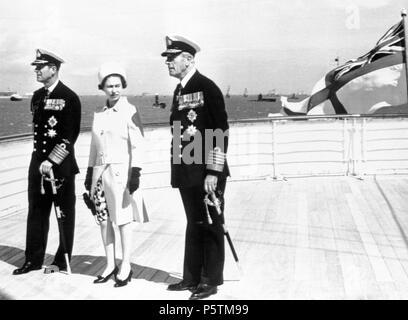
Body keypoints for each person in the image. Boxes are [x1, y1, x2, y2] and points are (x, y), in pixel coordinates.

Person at [161, 35, 230, 300]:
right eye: (167, 58)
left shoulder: (207, 87)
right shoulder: (180, 90)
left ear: (188, 59)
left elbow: (219, 130)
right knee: (194, 222)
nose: (168, 62)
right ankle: (191, 278)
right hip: (187, 169)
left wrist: (213, 171)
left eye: (172, 58)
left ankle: (210, 281)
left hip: (205, 172)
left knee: (211, 222)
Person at [13, 49, 81, 275]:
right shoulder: (37, 96)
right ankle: (33, 259)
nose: (36, 70)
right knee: (36, 212)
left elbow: (69, 135)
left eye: (40, 67)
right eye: (36, 66)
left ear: (53, 69)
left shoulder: (69, 97)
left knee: (63, 213)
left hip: (59, 166)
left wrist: (52, 160)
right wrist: (40, 161)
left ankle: (62, 260)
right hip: (37, 163)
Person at [84, 62, 148, 287]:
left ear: (123, 86)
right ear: (102, 87)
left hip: (121, 175)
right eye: (109, 86)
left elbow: (139, 143)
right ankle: (109, 264)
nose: (114, 90)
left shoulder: (129, 110)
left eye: (118, 85)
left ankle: (126, 265)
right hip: (100, 176)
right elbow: (94, 146)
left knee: (122, 222)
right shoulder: (99, 114)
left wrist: (136, 171)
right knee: (103, 221)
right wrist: (89, 172)